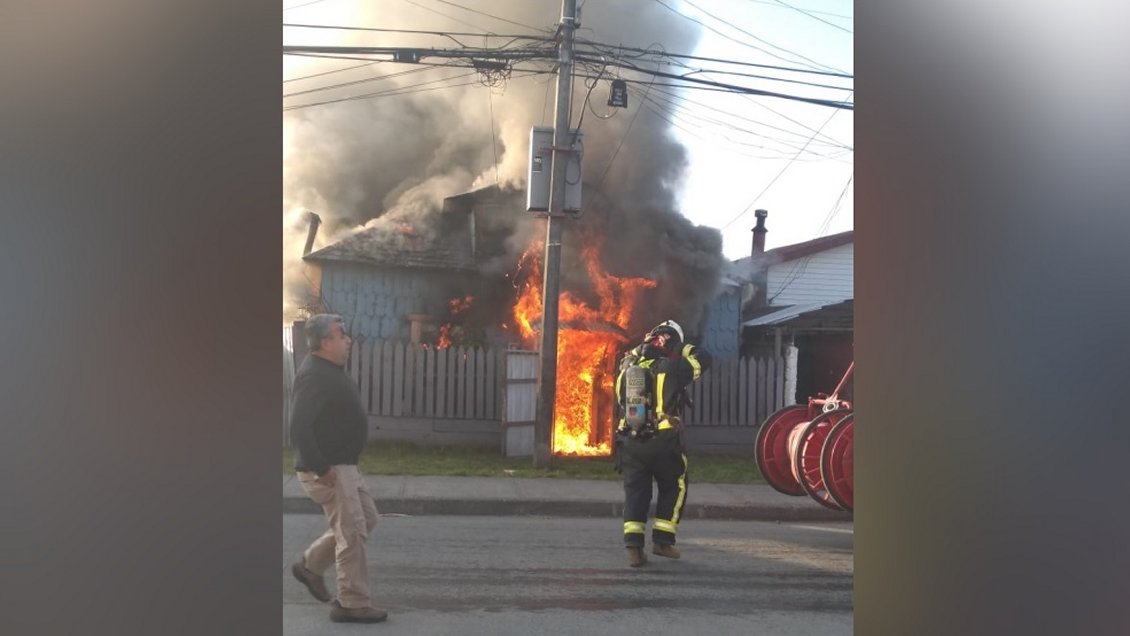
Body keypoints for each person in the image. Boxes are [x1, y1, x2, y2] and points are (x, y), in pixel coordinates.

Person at [288, 314, 386, 623]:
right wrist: (321, 467)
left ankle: (310, 565)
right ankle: (351, 603)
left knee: (367, 518)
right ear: (324, 342)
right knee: (352, 533)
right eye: (341, 335)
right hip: (330, 469)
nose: (348, 340)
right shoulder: (314, 375)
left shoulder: (328, 370)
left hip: (344, 466)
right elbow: (298, 428)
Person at [613, 320, 712, 567]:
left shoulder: (627, 365)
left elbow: (619, 400)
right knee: (675, 485)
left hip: (631, 440)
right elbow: (705, 358)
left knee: (636, 492)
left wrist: (640, 347)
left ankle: (634, 550)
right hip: (664, 440)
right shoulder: (674, 365)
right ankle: (663, 541)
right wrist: (681, 348)